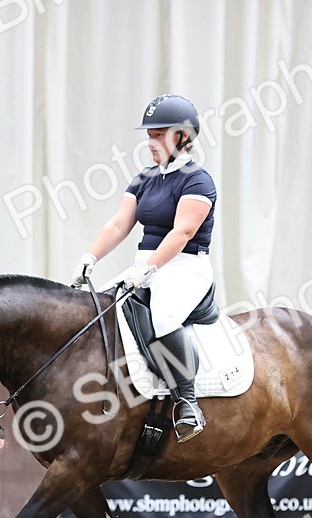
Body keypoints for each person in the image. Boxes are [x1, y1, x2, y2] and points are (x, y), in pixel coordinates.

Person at [71, 94, 217, 443]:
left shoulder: (197, 181)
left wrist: (149, 268)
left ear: (183, 136)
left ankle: (187, 403)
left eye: (159, 135)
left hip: (185, 266)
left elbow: (182, 232)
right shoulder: (145, 178)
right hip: (146, 264)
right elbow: (119, 225)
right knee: (99, 312)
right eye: (149, 135)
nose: (150, 142)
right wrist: (89, 257)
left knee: (164, 317)